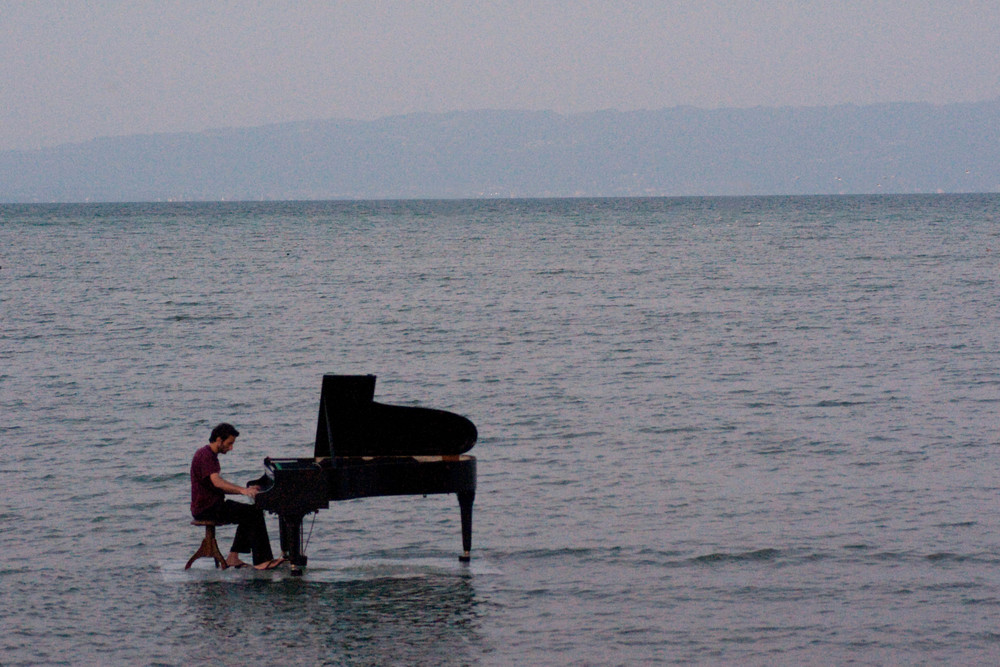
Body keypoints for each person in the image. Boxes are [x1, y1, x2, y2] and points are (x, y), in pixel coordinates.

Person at [190, 423, 284, 569]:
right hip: (206, 509)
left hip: (209, 505)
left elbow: (217, 486)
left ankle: (233, 557)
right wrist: (242, 491)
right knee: (253, 512)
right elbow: (217, 482)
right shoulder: (207, 456)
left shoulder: (207, 454)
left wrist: (244, 490)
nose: (231, 448)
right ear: (219, 439)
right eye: (229, 443)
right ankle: (261, 562)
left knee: (249, 512)